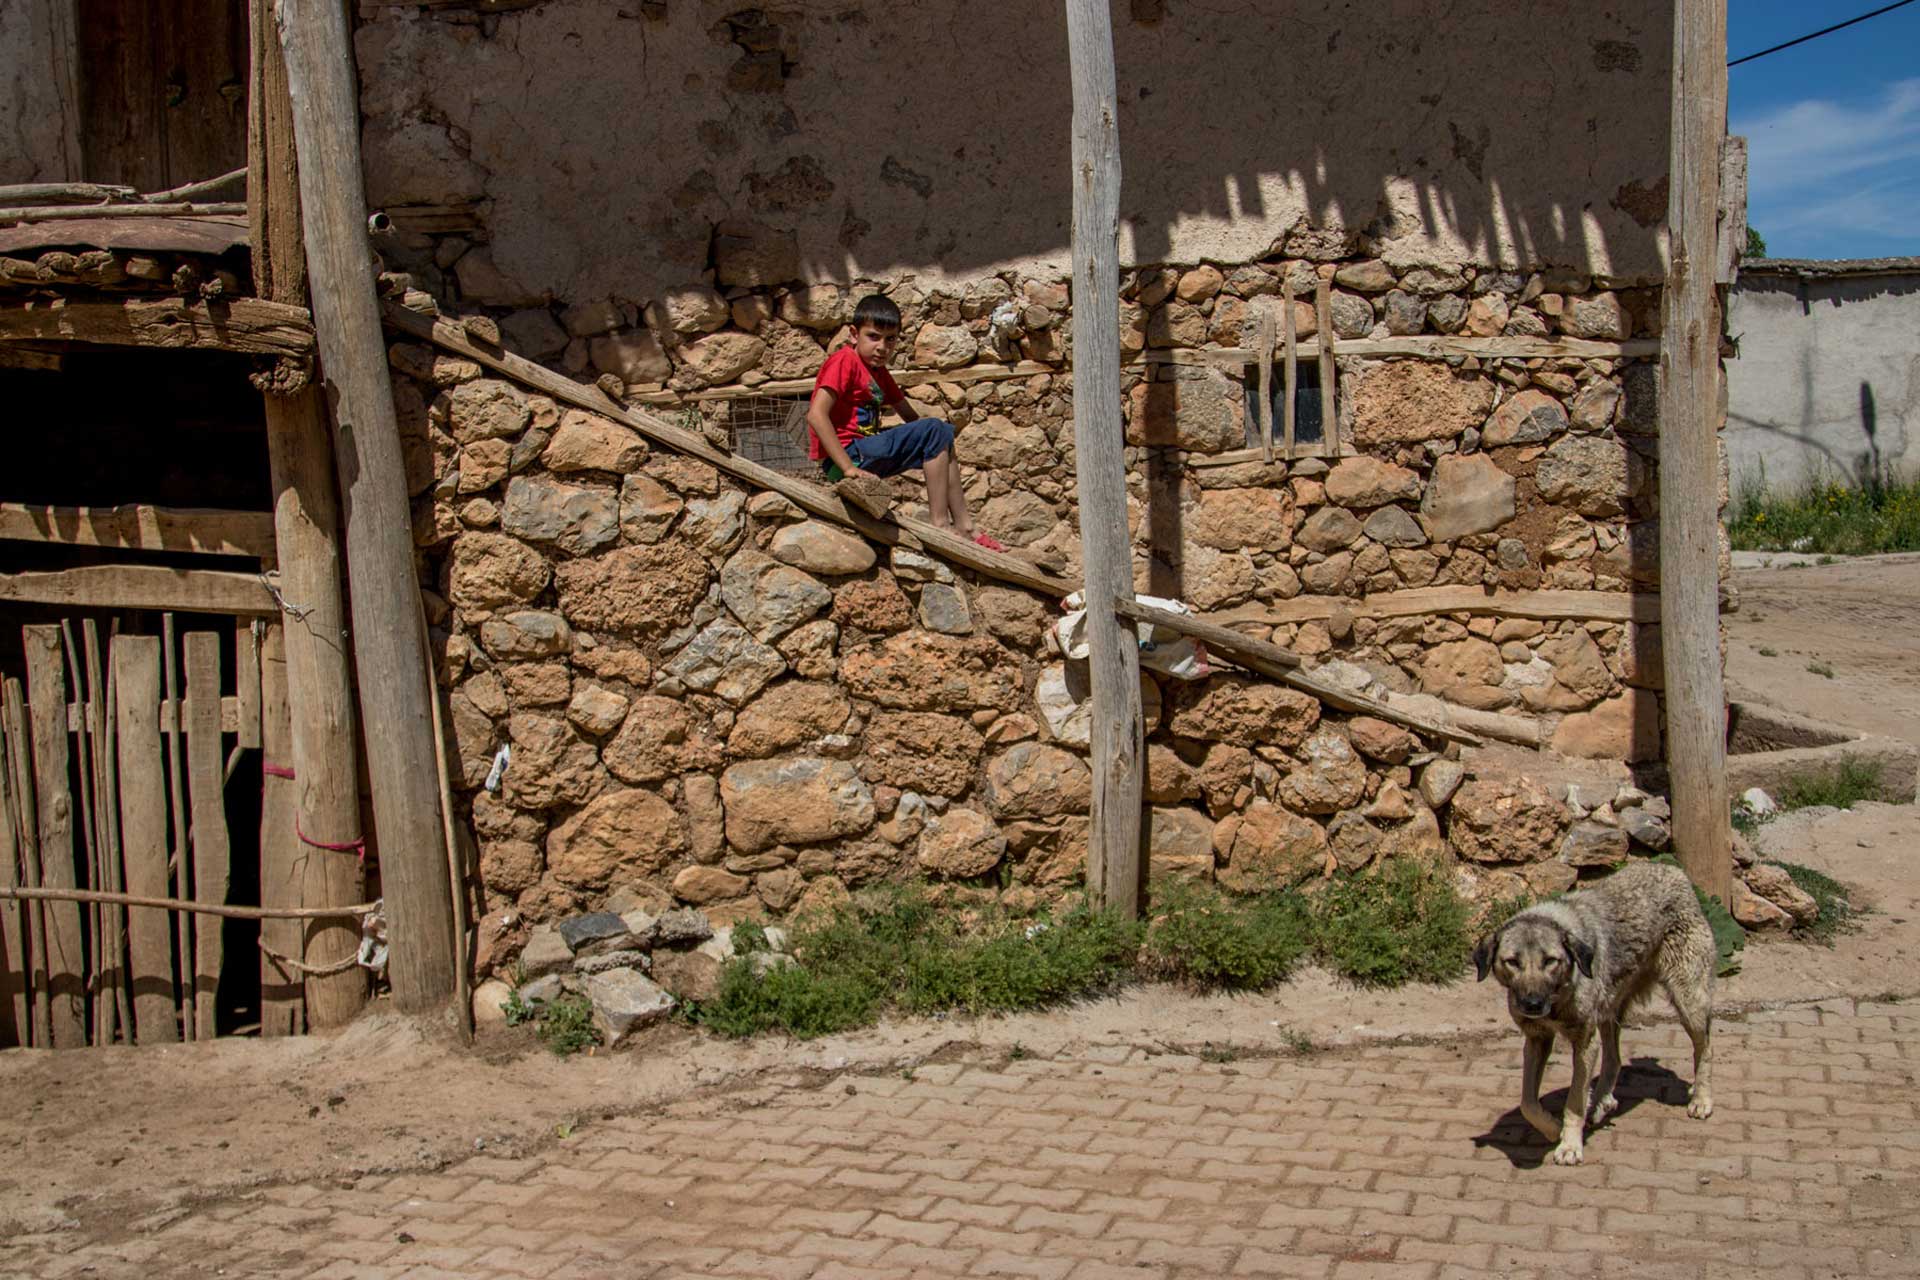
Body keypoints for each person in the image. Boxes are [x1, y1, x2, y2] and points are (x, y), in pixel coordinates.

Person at [807, 293, 1004, 551]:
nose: (882, 347)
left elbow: (911, 417)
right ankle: (940, 525)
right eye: (874, 337)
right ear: (854, 334)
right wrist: (847, 468)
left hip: (866, 453)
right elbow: (816, 414)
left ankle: (966, 527)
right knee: (934, 430)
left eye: (890, 340)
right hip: (846, 458)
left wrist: (939, 439)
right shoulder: (845, 361)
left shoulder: (879, 373)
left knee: (942, 433)